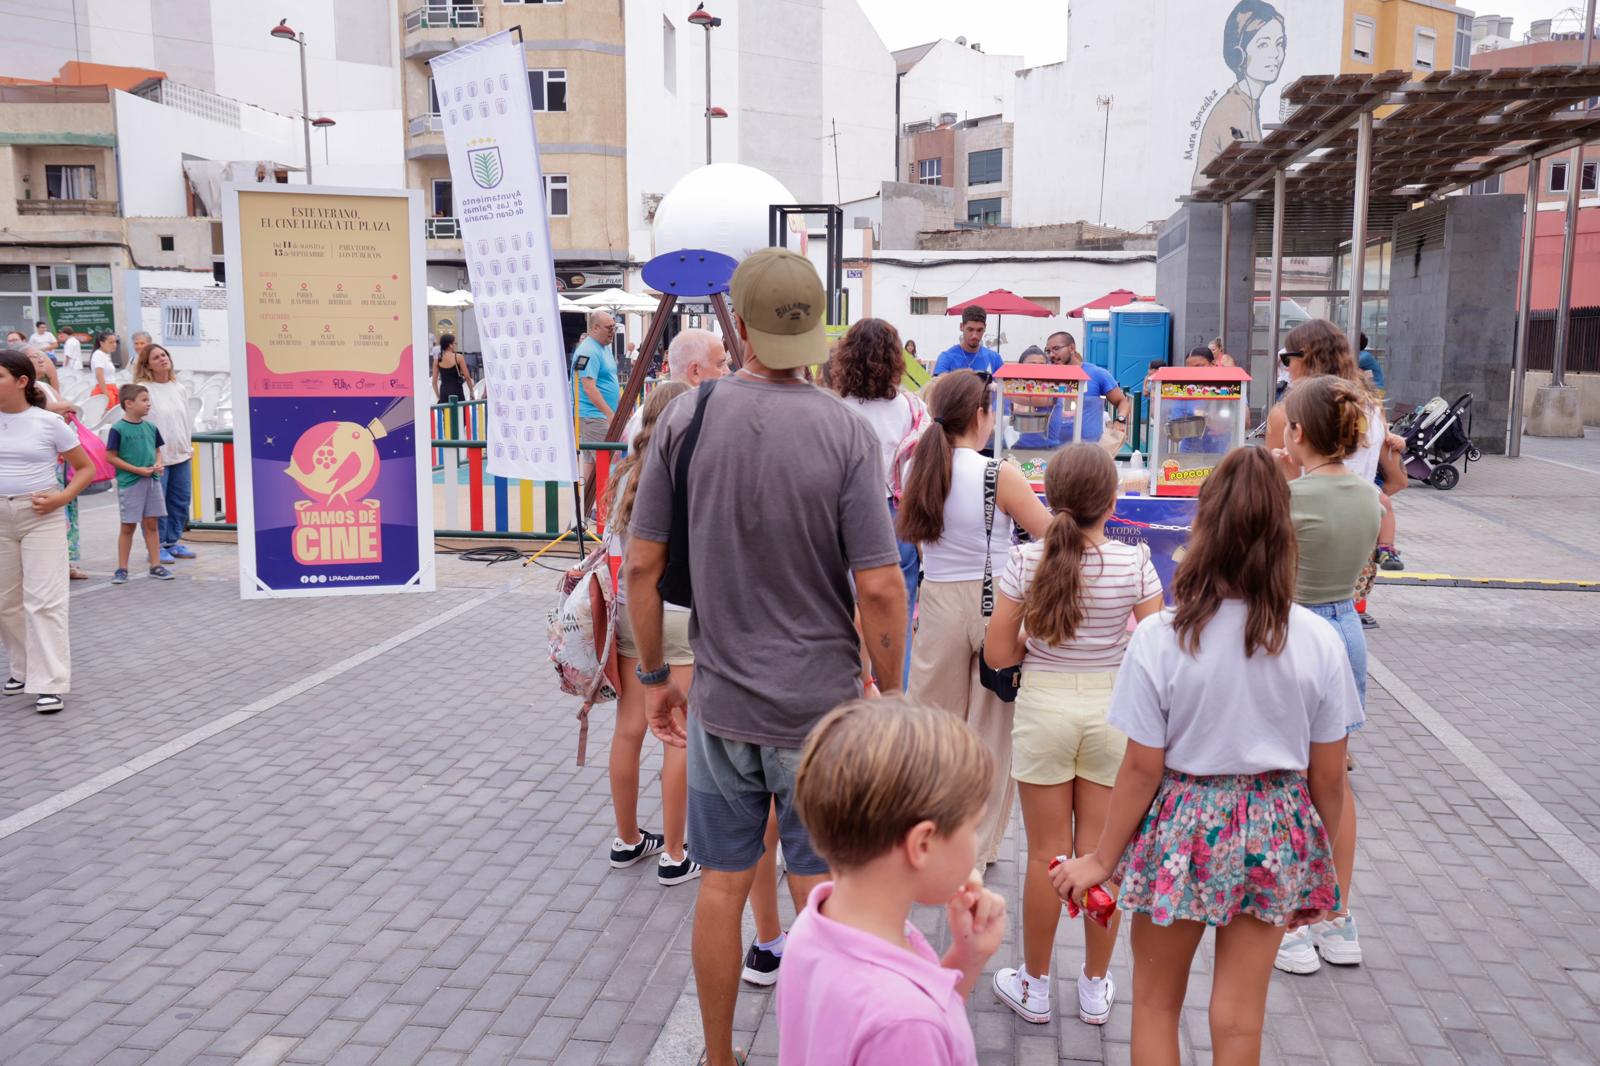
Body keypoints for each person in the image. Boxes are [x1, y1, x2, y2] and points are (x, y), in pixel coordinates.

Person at [625, 248, 907, 1066]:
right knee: (823, 893)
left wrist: (652, 679)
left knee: (719, 882)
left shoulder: (687, 417)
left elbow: (642, 565)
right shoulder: (845, 432)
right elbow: (882, 587)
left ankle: (719, 1057)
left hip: (720, 707)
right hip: (821, 715)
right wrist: (892, 694)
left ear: (738, 325)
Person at [1053, 446, 1360, 1066]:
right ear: (1283, 532)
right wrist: (1329, 885)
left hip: (1181, 827)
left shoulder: (1162, 637)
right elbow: (1330, 780)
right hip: (1276, 826)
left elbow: (1140, 767)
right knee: (1240, 1018)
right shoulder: (1318, 639)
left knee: (1158, 1005)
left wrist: (1102, 860)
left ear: (1204, 526)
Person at [982, 444, 1164, 1027]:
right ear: (1112, 501)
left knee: (1044, 856)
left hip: (1043, 709)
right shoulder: (1135, 563)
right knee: (1099, 856)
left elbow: (997, 651)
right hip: (1114, 714)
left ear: (1049, 497)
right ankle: (1093, 984)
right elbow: (1156, 646)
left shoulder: (1023, 562)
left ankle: (1034, 985)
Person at [778, 695, 1007, 1066]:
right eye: (974, 827)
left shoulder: (816, 923)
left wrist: (967, 957)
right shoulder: (903, 1022)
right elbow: (910, 1027)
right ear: (923, 844)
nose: (977, 842)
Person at [897, 369, 1052, 866]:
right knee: (990, 729)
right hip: (997, 603)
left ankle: (923, 833)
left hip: (937, 600)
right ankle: (975, 848)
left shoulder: (916, 469)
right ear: (980, 415)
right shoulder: (998, 473)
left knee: (929, 726)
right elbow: (1049, 534)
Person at [1267, 374, 1382, 978]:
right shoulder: (1367, 496)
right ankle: (1338, 916)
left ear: (1298, 433)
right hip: (1347, 632)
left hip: (1295, 636)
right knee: (1336, 784)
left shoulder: (1290, 498)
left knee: (1291, 784)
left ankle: (1293, 921)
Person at [605, 380, 698, 886]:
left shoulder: (624, 476)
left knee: (630, 728)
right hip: (680, 612)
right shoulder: (690, 474)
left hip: (628, 612)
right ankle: (676, 853)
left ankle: (625, 840)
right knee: (678, 736)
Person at [830, 317, 928, 679]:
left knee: (839, 609)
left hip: (839, 517)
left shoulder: (834, 408)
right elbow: (921, 470)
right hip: (895, 515)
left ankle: (851, 686)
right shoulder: (911, 408)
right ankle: (892, 693)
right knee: (896, 613)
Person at [0, 349, 95, 714]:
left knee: (44, 601)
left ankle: (49, 683)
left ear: (22, 382)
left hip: (40, 516)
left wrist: (62, 498)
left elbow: (84, 467)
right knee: (7, 603)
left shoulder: (47, 422)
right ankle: (22, 669)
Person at [1192, 0, 1285, 189]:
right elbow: (1248, 175)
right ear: (1239, 55)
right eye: (1263, 44)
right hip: (1214, 211)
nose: (1275, 54)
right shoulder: (1233, 110)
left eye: (1279, 44)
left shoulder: (1248, 103)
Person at [24, 348, 86, 581]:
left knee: (67, 509)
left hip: (61, 456)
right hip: (47, 461)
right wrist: (60, 408)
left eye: (42, 356)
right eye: (33, 357)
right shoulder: (29, 390)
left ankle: (68, 560)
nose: (40, 359)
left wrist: (61, 408)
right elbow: (53, 409)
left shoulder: (46, 387)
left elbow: (64, 407)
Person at [132, 343, 197, 562]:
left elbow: (185, 418)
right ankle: (156, 545)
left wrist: (188, 444)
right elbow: (139, 421)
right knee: (156, 503)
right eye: (156, 357)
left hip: (180, 453)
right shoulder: (144, 389)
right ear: (147, 364)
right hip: (156, 456)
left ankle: (173, 541)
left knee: (180, 500)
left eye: (164, 355)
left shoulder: (177, 387)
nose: (162, 359)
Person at [106, 384, 175, 586]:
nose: (148, 404)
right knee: (128, 526)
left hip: (152, 481)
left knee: (152, 524)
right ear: (128, 403)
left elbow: (157, 451)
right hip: (130, 483)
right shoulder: (118, 429)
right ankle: (122, 568)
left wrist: (158, 463)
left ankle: (155, 565)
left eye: (148, 400)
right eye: (144, 400)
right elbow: (110, 457)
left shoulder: (151, 427)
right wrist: (136, 470)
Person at [622, 328, 728, 450]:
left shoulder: (644, 415)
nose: (727, 372)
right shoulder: (698, 415)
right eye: (720, 364)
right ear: (695, 371)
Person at [1056, 331, 1131, 443]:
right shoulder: (1046, 376)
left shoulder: (1096, 373)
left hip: (1090, 448)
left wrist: (1120, 420)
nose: (1051, 354)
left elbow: (1122, 401)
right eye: (1048, 351)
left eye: (1056, 348)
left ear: (1071, 348)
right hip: (1054, 446)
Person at [933, 307, 1003, 376]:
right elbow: (937, 385)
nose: (975, 336)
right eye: (970, 329)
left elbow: (1005, 385)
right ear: (961, 327)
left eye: (979, 330)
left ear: (985, 328)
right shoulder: (946, 358)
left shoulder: (995, 358)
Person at [431, 333, 473, 404]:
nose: (455, 345)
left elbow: (434, 382)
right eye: (455, 343)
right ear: (450, 345)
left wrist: (438, 396)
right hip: (457, 390)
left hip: (444, 391)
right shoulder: (458, 357)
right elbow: (467, 376)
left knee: (447, 414)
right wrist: (471, 391)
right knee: (460, 413)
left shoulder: (437, 360)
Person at [89, 331, 120, 407]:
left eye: (115, 342)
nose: (114, 345)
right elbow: (99, 375)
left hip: (111, 388)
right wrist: (106, 393)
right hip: (104, 389)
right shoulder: (99, 354)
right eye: (111, 342)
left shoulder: (105, 354)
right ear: (102, 343)